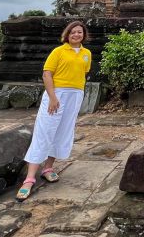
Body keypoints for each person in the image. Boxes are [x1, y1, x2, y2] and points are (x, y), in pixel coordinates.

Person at [16, 20, 92, 201]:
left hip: (75, 95)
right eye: (73, 32)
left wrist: (76, 95)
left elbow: (83, 73)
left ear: (83, 35)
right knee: (45, 131)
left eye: (79, 32)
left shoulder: (86, 53)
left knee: (63, 132)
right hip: (56, 94)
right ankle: (29, 178)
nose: (76, 35)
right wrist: (52, 97)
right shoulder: (58, 51)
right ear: (67, 34)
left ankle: (48, 168)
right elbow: (47, 74)